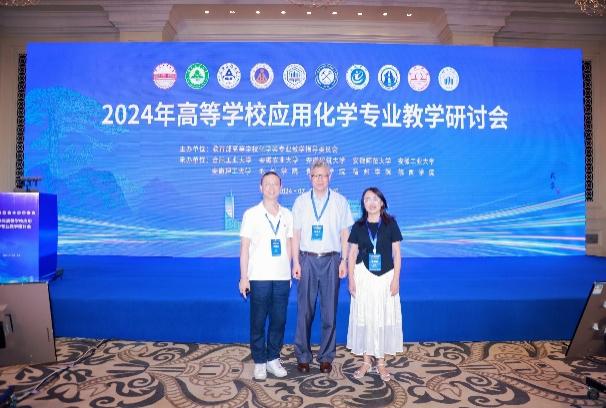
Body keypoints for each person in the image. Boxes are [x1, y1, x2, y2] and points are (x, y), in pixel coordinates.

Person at [292, 159, 354, 374]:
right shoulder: (301, 201)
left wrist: (344, 260)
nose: (319, 179)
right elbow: (296, 234)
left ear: (330, 176)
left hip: (331, 260)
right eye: (315, 175)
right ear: (310, 177)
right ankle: (303, 356)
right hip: (307, 259)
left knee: (329, 312)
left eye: (323, 175)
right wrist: (295, 261)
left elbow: (345, 233)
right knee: (304, 312)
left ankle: (326, 357)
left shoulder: (340, 201)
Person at [239, 171, 293, 381]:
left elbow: (289, 245)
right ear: (260, 188)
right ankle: (260, 361)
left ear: (281, 188)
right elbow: (244, 248)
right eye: (267, 184)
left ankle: (273, 358)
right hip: (259, 276)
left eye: (275, 184)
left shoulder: (287, 214)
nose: (271, 188)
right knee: (258, 321)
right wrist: (244, 277)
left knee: (279, 320)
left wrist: (289, 271)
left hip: (281, 277)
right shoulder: (251, 214)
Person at [346, 187, 403, 382]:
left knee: (382, 317)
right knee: (366, 317)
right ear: (363, 204)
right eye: (367, 199)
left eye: (375, 199)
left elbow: (397, 253)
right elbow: (352, 254)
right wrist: (351, 279)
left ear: (382, 203)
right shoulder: (358, 226)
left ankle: (381, 363)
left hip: (386, 277)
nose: (371, 202)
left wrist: (396, 279)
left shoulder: (391, 224)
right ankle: (366, 361)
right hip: (364, 277)